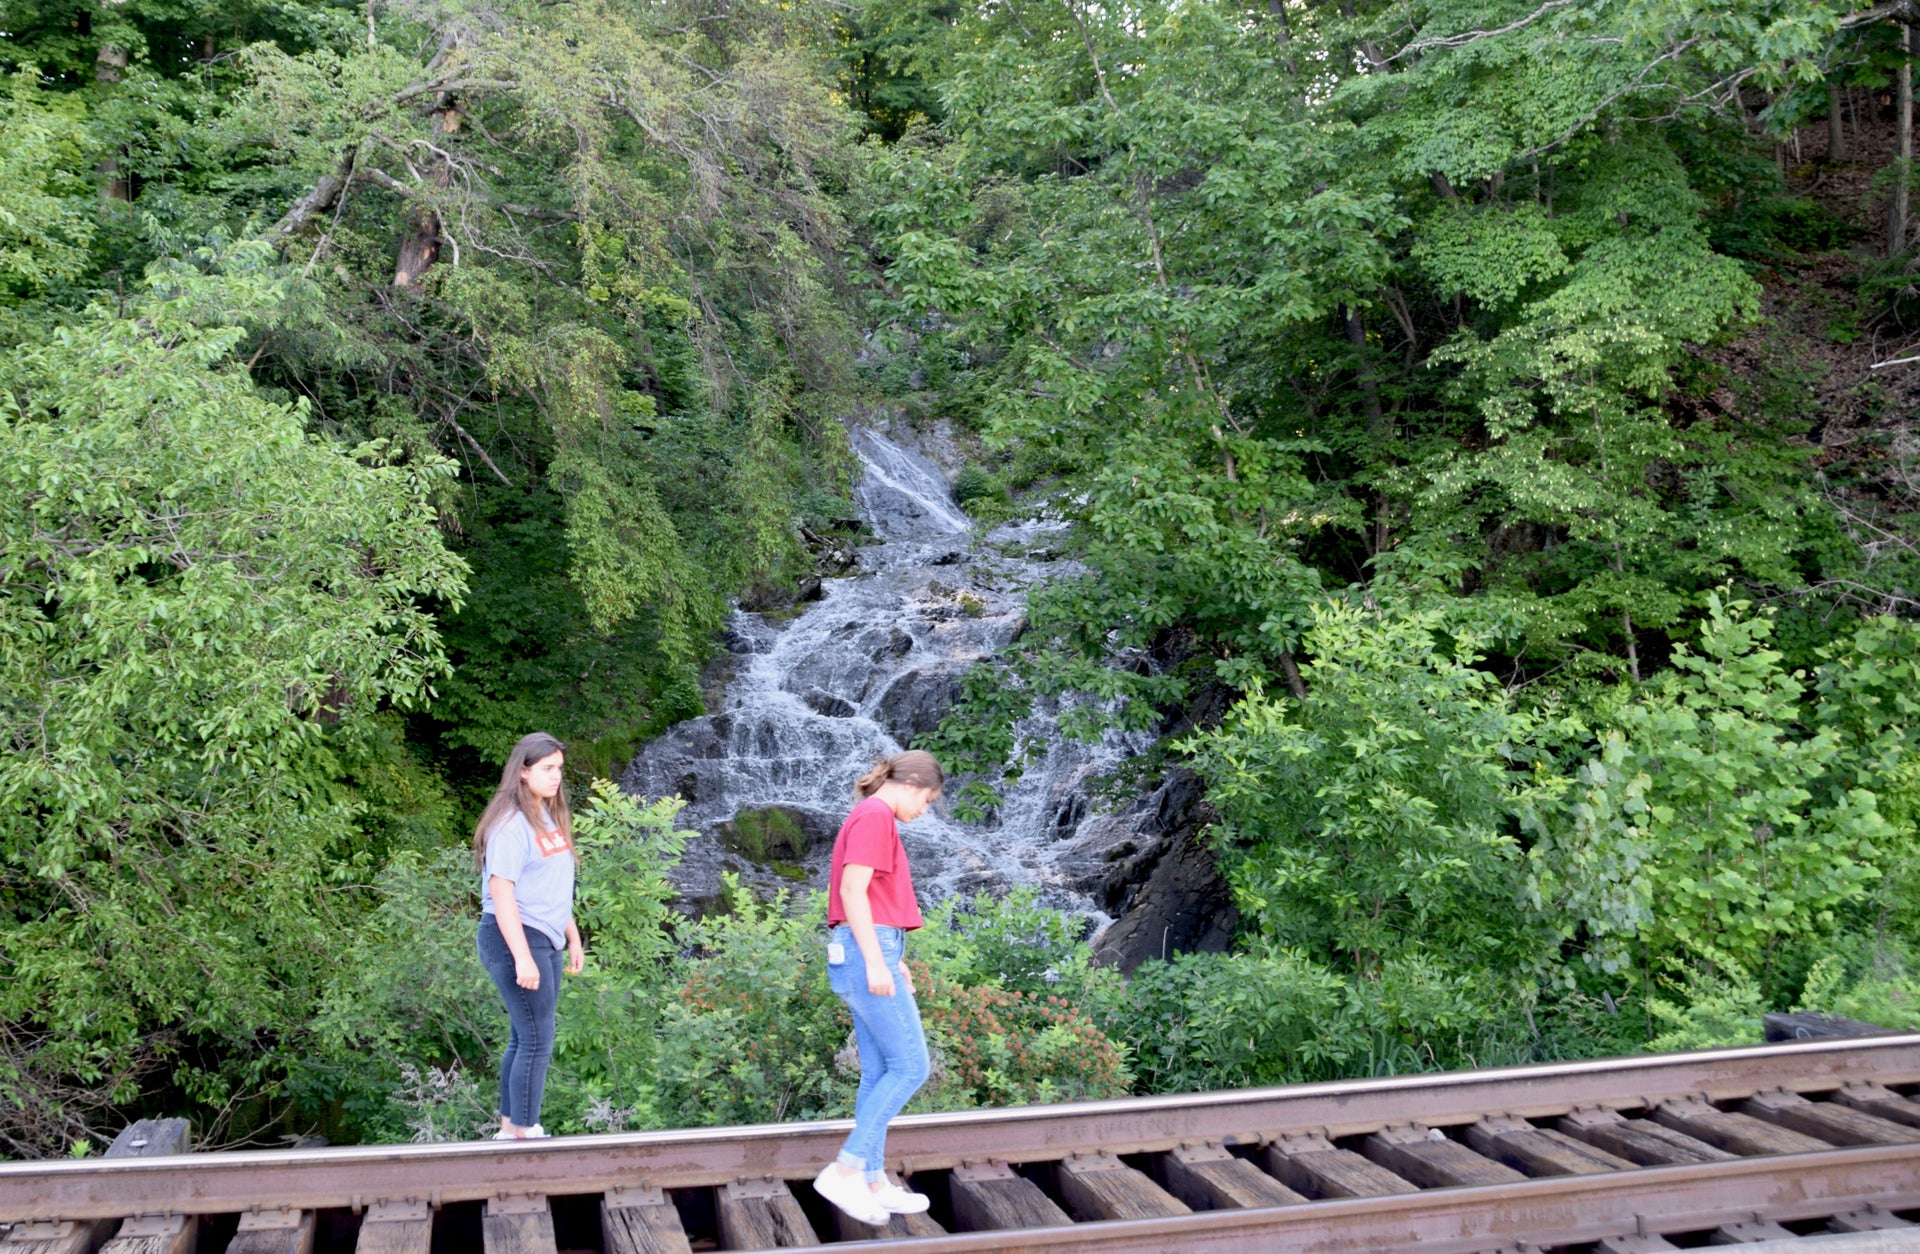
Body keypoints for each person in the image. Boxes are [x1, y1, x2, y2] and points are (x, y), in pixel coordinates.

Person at [813, 749, 944, 1225]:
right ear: (910, 785)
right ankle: (845, 1170)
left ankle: (872, 1179)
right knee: (912, 1066)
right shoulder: (875, 816)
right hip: (865, 949)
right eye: (926, 801)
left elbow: (873, 899)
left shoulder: (872, 815)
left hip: (872, 948)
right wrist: (876, 960)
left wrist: (893, 960)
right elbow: (853, 892)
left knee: (877, 1071)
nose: (923, 811)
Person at [474, 732, 584, 1141]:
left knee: (525, 1035)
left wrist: (571, 935)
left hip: (545, 937)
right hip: (514, 938)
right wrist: (522, 957)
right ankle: (525, 1131)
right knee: (538, 1038)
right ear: (523, 773)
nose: (556, 776)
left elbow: (551, 886)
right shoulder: (511, 826)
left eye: (559, 768)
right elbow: (503, 893)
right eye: (546, 769)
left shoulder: (548, 817)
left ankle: (509, 1129)